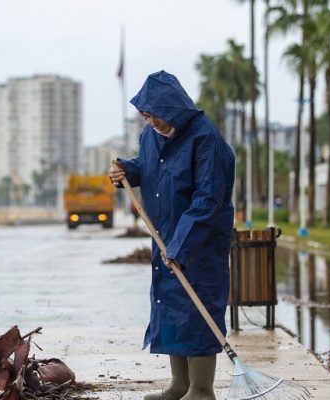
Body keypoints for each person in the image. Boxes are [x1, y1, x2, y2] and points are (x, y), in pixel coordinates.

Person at [109, 71, 235, 400]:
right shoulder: (151, 137)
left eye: (153, 116)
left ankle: (202, 389)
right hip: (165, 236)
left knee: (198, 310)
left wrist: (182, 245)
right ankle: (180, 385)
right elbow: (151, 168)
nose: (150, 122)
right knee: (172, 309)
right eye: (145, 117)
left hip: (199, 244)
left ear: (171, 108)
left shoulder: (205, 139)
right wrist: (128, 170)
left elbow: (208, 198)